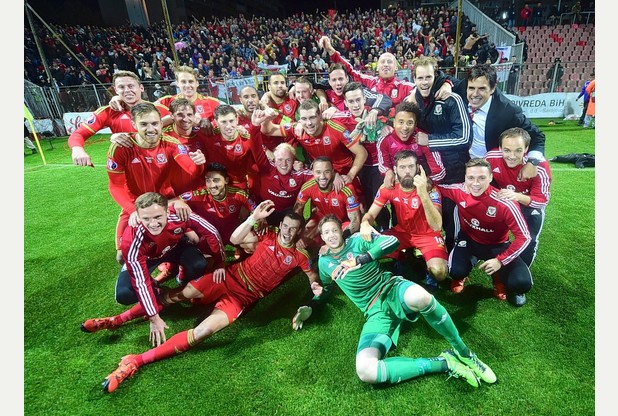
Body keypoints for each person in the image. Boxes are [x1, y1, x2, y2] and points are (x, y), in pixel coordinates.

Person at [86, 201, 321, 393]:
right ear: (280, 225)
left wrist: (315, 287)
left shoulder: (299, 255)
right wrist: (253, 219)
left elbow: (311, 275)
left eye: (294, 229)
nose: (289, 232)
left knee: (202, 332)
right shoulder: (267, 234)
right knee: (178, 295)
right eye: (286, 226)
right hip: (227, 277)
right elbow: (235, 240)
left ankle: (135, 361)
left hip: (242, 299)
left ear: (299, 231)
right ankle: (116, 320)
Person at [301, 214, 496, 388]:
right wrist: (312, 304)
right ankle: (445, 362)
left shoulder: (358, 241)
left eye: (334, 230)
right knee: (365, 371)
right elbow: (325, 288)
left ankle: (464, 353)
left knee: (422, 297)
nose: (331, 235)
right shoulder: (325, 263)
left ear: (341, 231)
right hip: (374, 313)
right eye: (326, 233)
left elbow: (392, 242)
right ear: (322, 238)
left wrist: (360, 259)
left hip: (390, 288)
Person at [80, 192, 225, 342]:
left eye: (157, 217)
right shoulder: (132, 240)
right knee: (124, 294)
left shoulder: (179, 214)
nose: (153, 224)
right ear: (137, 216)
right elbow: (141, 282)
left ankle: (179, 276)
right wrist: (154, 317)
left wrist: (220, 262)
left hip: (174, 247)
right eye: (146, 219)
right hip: (148, 258)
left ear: (167, 212)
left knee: (199, 265)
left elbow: (211, 231)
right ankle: (157, 291)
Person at [106, 102, 206, 264]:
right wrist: (133, 210)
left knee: (194, 239)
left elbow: (191, 170)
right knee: (121, 257)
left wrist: (199, 163)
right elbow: (115, 186)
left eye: (154, 123)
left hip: (167, 201)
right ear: (134, 124)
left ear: (161, 123)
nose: (151, 129)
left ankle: (172, 263)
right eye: (144, 124)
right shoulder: (121, 148)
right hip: (135, 205)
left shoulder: (171, 143)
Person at [437, 158, 532, 307]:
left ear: (491, 177)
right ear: (465, 178)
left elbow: (524, 237)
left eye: (481, 178)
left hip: (497, 245)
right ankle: (460, 276)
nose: (475, 183)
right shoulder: (459, 190)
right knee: (455, 271)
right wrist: (425, 184)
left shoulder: (505, 203)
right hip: (469, 241)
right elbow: (438, 187)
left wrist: (500, 260)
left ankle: (498, 277)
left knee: (522, 283)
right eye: (471, 178)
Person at [361, 150, 448, 290]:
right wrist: (365, 223)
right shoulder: (388, 188)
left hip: (428, 235)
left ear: (418, 168)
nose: (407, 171)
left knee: (440, 272)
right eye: (402, 167)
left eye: (411, 166)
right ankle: (400, 257)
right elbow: (371, 214)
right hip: (402, 233)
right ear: (395, 169)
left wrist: (423, 194)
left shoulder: (430, 189)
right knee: (365, 250)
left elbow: (437, 226)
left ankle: (427, 270)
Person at [318, 36, 451, 116]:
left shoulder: (406, 87)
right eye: (382, 62)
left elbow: (427, 84)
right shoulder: (370, 82)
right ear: (377, 66)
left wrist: (447, 83)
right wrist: (331, 50)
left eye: (390, 62)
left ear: (396, 67)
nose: (386, 65)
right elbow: (350, 71)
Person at [452, 64, 546, 176]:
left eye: (482, 89)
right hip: (461, 164)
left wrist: (533, 162)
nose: (475, 94)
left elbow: (537, 136)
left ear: (492, 89)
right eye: (471, 88)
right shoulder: (461, 90)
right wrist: (446, 84)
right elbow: (441, 78)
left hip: (491, 169)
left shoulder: (508, 111)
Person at [260, 100, 368, 195]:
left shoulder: (336, 128)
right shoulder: (298, 129)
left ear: (320, 116)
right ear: (299, 120)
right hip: (321, 173)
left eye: (312, 117)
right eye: (304, 119)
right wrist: (267, 117)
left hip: (344, 173)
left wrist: (350, 175)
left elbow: (362, 152)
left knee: (358, 208)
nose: (309, 123)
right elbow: (268, 130)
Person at [484, 128, 552, 267]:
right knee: (488, 230)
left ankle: (522, 272)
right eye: (507, 150)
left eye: (518, 150)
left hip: (528, 204)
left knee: (530, 239)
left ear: (527, 149)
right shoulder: (490, 158)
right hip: (504, 202)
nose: (512, 156)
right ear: (500, 148)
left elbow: (542, 201)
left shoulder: (540, 166)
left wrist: (517, 196)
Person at [68, 70, 162, 167]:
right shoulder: (108, 112)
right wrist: (77, 149)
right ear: (116, 90)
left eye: (131, 86)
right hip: (129, 172)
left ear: (141, 88)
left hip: (162, 169)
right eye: (121, 87)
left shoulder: (159, 109)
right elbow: (78, 134)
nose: (127, 90)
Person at [177, 162, 257, 247]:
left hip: (233, 233)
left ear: (226, 180)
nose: (212, 185)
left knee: (252, 241)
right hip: (210, 236)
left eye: (216, 180)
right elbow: (172, 202)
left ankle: (244, 255)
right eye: (208, 180)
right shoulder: (200, 193)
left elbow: (256, 210)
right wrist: (178, 202)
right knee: (206, 259)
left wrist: (258, 221)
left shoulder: (238, 193)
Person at [293, 156, 361, 249]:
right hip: (320, 220)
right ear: (313, 172)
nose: (322, 176)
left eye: (327, 172)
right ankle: (311, 258)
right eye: (318, 172)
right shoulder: (308, 186)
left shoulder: (346, 189)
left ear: (333, 172)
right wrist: (298, 232)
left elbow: (355, 221)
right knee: (301, 242)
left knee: (338, 244)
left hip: (342, 222)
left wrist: (337, 241)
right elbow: (296, 212)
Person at [377, 101, 446, 189]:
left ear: (415, 125)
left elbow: (440, 172)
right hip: (397, 185)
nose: (405, 128)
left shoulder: (423, 139)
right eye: (401, 122)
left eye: (410, 123)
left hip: (421, 185)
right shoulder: (385, 139)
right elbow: (383, 164)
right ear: (394, 122)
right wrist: (388, 172)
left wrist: (428, 181)